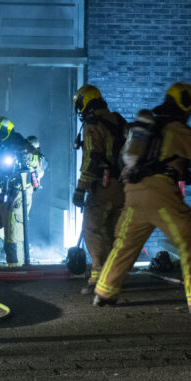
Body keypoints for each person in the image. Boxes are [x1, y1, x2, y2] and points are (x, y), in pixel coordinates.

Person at [93, 82, 191, 314]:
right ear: (184, 104)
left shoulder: (149, 127)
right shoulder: (177, 130)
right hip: (160, 194)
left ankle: (103, 293)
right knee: (189, 241)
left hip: (133, 192)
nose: (190, 114)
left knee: (124, 244)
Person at [72, 85, 127, 294]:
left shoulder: (92, 126)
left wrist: (80, 188)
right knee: (114, 232)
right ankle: (115, 279)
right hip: (123, 186)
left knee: (93, 229)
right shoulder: (118, 120)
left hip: (102, 187)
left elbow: (91, 159)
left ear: (85, 102)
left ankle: (97, 279)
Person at [0, 117, 43, 267]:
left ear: (3, 133)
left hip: (18, 196)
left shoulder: (23, 147)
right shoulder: (2, 150)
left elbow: (38, 163)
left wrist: (29, 153)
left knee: (12, 243)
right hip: (4, 194)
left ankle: (16, 275)